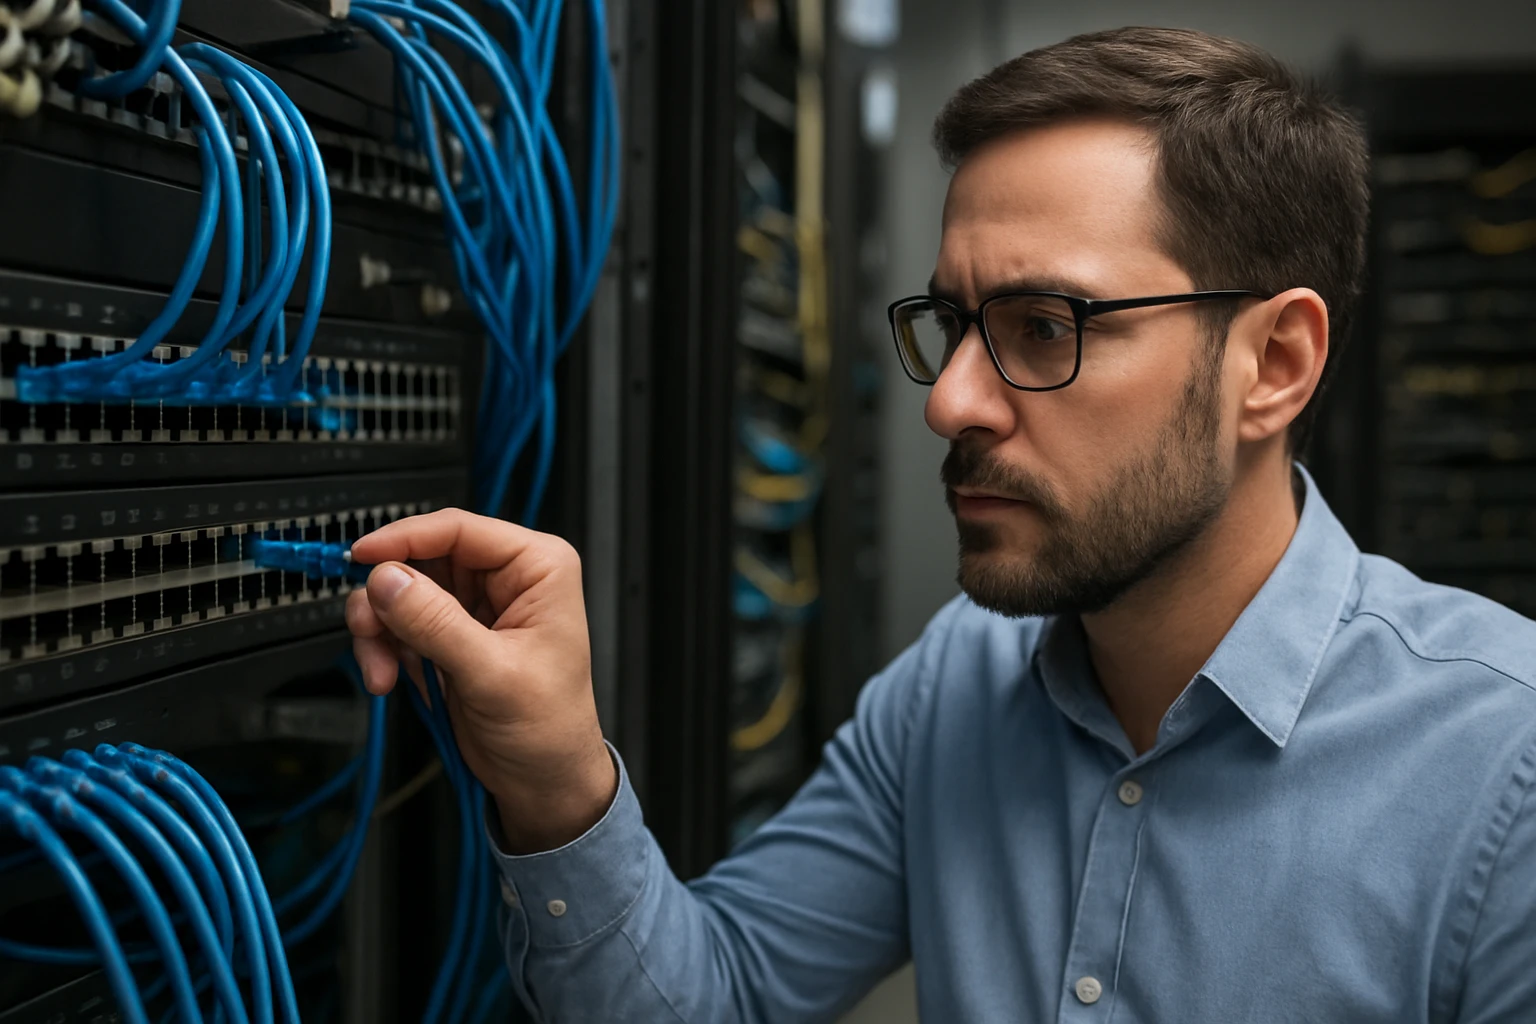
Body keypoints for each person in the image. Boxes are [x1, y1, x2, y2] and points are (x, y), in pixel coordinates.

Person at [345, 26, 1536, 1024]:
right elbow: (721, 998)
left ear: (1273, 364)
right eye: (953, 323)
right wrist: (558, 782)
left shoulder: (1500, 774)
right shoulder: (957, 685)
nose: (951, 399)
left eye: (1043, 326)